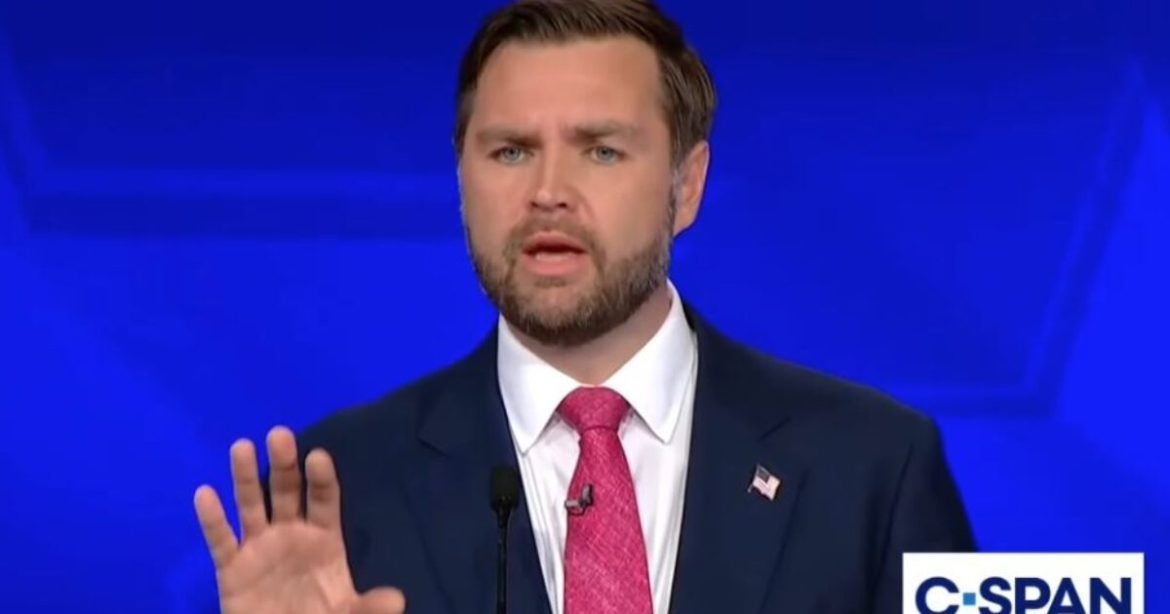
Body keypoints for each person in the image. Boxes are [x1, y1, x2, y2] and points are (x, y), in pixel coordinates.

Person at [192, 1, 976, 612]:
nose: (548, 193)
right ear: (462, 179)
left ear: (687, 186)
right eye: (511, 151)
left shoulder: (877, 466)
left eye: (601, 150)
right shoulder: (340, 487)